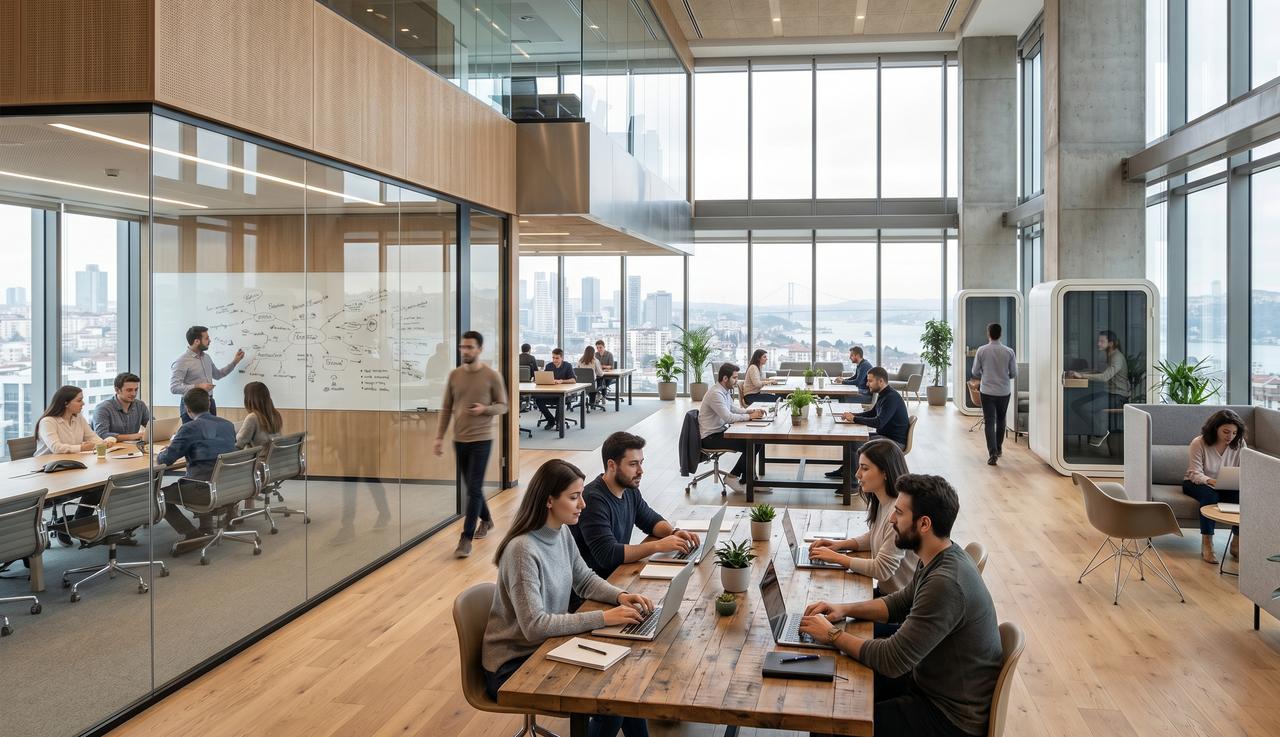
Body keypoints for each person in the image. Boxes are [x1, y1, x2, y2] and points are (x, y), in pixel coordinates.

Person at [799, 474, 1003, 737]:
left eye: (899, 513)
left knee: (828, 723)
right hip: (928, 683)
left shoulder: (946, 584)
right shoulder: (939, 555)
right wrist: (844, 609)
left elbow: (892, 659)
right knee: (834, 689)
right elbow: (898, 603)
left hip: (947, 717)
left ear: (924, 524)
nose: (891, 520)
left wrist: (832, 634)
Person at [483, 459, 654, 737]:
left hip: (547, 646)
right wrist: (603, 618)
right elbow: (534, 626)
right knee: (612, 699)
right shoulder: (522, 550)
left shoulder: (561, 531)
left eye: (581, 495)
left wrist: (621, 596)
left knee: (624, 684)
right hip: (514, 664)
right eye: (574, 497)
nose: (583, 505)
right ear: (549, 500)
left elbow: (584, 579)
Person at [571, 432, 701, 580]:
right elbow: (608, 555)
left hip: (617, 575)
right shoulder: (592, 500)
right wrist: (658, 546)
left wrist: (673, 532)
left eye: (641, 462)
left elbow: (650, 520)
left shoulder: (629, 490)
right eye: (633, 464)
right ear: (612, 465)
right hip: (596, 585)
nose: (640, 471)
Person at [808, 439, 919, 600]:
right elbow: (877, 535)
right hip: (888, 596)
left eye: (865, 468)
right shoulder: (884, 502)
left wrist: (838, 558)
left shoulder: (898, 512)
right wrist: (840, 545)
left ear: (885, 473)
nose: (857, 474)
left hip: (899, 605)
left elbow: (882, 570)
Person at [435, 330, 509, 558]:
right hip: (460, 439)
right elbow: (446, 408)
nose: (464, 351)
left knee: (474, 488)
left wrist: (484, 409)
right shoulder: (455, 375)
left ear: (480, 349)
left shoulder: (491, 376)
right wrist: (439, 437)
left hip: (482, 439)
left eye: (469, 347)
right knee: (472, 487)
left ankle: (465, 539)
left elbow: (503, 406)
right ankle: (486, 519)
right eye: (462, 347)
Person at [157, 388, 239, 545]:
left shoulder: (189, 428)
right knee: (204, 473)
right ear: (209, 404)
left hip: (203, 490)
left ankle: (191, 533)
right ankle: (206, 527)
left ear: (187, 409)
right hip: (227, 485)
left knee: (158, 495)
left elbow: (166, 460)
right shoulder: (228, 425)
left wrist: (162, 453)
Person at [1182, 409, 1247, 564]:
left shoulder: (1240, 444)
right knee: (1210, 496)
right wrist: (1212, 481)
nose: (1230, 436)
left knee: (1243, 497)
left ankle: (1236, 542)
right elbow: (1194, 473)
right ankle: (1207, 543)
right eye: (1226, 432)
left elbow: (1245, 468)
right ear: (1215, 428)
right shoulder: (1199, 442)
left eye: (1234, 433)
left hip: (1226, 484)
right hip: (1196, 482)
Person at [825, 367, 909, 479]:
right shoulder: (884, 394)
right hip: (885, 436)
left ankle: (852, 483)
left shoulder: (891, 398)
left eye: (870, 381)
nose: (867, 384)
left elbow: (879, 422)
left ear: (881, 381)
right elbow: (871, 413)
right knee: (851, 439)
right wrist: (853, 415)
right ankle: (846, 471)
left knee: (855, 442)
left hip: (894, 441)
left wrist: (854, 419)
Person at [698, 363, 766, 494]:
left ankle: (749, 480)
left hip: (720, 432)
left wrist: (750, 411)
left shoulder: (723, 391)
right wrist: (750, 417)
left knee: (756, 441)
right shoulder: (715, 394)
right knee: (751, 443)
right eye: (734, 378)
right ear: (725, 378)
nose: (736, 381)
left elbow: (732, 408)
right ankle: (735, 477)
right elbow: (729, 417)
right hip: (710, 438)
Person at [1066, 329, 1130, 457]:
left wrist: (1082, 375)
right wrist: (1081, 373)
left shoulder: (1117, 357)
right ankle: (1098, 430)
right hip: (1109, 392)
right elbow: (1102, 372)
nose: (1098, 344)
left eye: (1102, 341)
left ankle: (1100, 432)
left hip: (1118, 396)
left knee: (1084, 408)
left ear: (1111, 343)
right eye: (1098, 341)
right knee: (1076, 404)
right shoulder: (1109, 355)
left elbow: (1105, 377)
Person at [170, 324, 245, 423]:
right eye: (206, 338)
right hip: (191, 406)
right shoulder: (182, 361)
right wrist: (198, 386)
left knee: (212, 432)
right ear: (197, 341)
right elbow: (174, 388)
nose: (210, 340)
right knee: (194, 433)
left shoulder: (207, 358)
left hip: (209, 402)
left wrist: (235, 361)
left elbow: (218, 375)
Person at [971, 323, 1017, 466]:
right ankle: (999, 448)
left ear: (988, 334)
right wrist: (1003, 376)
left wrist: (985, 374)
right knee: (1001, 419)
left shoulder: (982, 350)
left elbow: (975, 371)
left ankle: (992, 453)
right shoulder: (1009, 351)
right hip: (1004, 391)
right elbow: (1013, 373)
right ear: (1000, 334)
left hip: (987, 391)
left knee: (989, 421)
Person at [35, 385, 116, 457]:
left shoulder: (78, 418)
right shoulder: (47, 422)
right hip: (46, 464)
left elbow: (92, 437)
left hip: (71, 460)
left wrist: (104, 443)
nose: (83, 403)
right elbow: (56, 448)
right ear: (66, 403)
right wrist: (82, 447)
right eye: (79, 400)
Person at [92, 372, 151, 442]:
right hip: (111, 447)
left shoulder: (140, 405)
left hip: (132, 447)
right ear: (117, 390)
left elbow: (152, 425)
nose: (134, 394)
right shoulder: (103, 408)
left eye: (136, 389)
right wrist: (134, 436)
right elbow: (102, 434)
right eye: (129, 390)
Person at [534, 348, 577, 429]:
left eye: (557, 358)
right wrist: (539, 380)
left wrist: (561, 381)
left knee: (560, 399)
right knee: (538, 400)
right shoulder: (549, 366)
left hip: (565, 394)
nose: (554, 360)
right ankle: (551, 420)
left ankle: (558, 422)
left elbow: (573, 380)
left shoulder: (567, 366)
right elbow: (545, 378)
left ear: (562, 358)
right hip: (551, 393)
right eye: (553, 358)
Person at [236, 381, 283, 450]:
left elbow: (240, 443)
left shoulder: (252, 418)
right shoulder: (276, 414)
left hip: (260, 456)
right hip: (273, 455)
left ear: (249, 399)